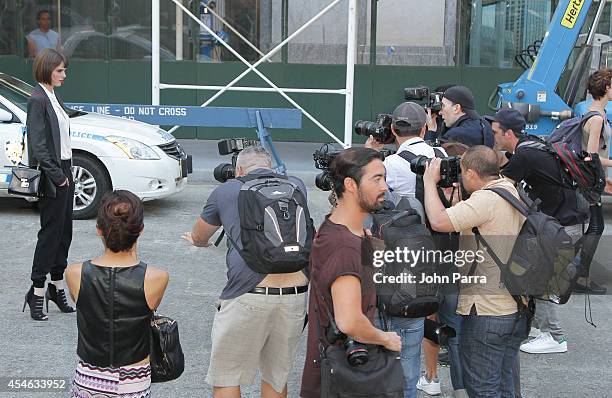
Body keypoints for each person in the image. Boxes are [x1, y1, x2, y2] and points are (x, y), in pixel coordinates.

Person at [183, 146, 309, 398]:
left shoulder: (227, 190)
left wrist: (200, 242)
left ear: (238, 170)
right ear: (270, 167)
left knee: (227, 376)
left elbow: (199, 235)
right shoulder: (296, 185)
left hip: (248, 292)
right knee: (276, 377)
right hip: (296, 293)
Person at [423, 145, 527, 398]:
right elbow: (481, 226)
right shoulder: (509, 190)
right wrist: (458, 201)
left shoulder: (486, 200)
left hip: (486, 313)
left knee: (482, 388)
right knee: (504, 385)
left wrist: (429, 182)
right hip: (515, 307)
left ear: (470, 173)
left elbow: (438, 222)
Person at [301, 148, 402, 398]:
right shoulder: (344, 246)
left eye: (384, 178)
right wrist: (386, 339)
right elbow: (349, 321)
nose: (385, 187)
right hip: (343, 377)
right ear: (350, 184)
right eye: (376, 179)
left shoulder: (341, 229)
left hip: (340, 372)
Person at [488, 108, 589, 355]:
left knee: (541, 276)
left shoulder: (524, 155)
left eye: (495, 132)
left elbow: (500, 186)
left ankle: (554, 336)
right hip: (567, 221)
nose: (493, 136)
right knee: (537, 272)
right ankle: (539, 327)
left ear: (508, 133)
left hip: (561, 226)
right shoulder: (533, 146)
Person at [65, 190, 169, 397]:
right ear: (140, 230)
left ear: (99, 230)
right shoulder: (157, 277)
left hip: (89, 374)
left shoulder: (75, 273)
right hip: (134, 376)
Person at [22, 48, 74, 321]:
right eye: (60, 71)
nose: (64, 75)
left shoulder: (52, 96)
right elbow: (39, 147)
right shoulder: (38, 99)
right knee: (50, 235)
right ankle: (37, 291)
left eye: (64, 70)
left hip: (65, 171)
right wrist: (59, 176)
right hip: (54, 175)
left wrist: (67, 173)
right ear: (46, 70)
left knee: (65, 233)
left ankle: (57, 285)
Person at [575, 68, 612, 295]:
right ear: (606, 88)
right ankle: (581, 275)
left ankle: (579, 272)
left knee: (594, 226)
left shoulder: (594, 112)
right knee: (596, 227)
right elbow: (591, 156)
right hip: (589, 181)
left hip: (590, 180)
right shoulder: (596, 118)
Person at [427, 85, 494, 148]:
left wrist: (431, 131)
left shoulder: (455, 135)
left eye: (443, 106)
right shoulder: (485, 124)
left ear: (456, 108)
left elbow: (433, 157)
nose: (440, 112)